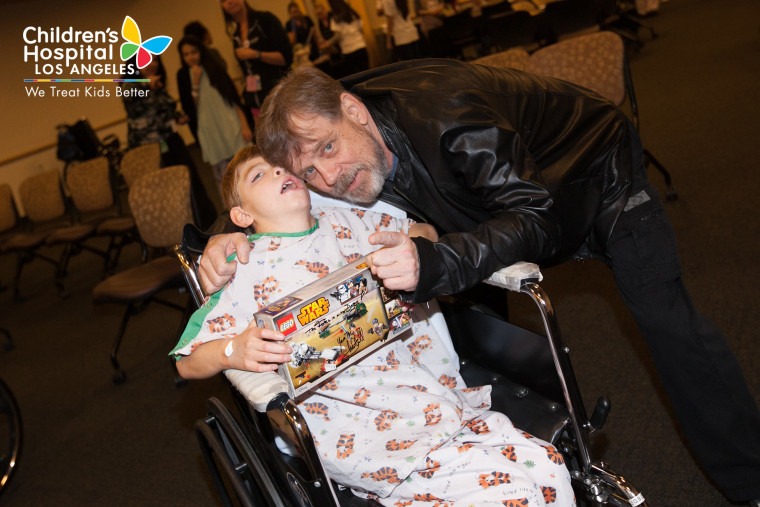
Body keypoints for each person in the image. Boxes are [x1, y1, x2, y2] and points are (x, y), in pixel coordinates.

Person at [198, 61, 760, 505]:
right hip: (476, 201)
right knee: (476, 325)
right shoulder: (326, 129)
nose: (329, 177)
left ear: (354, 109)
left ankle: (750, 478)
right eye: (311, 171)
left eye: (329, 149)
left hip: (591, 170)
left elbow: (537, 218)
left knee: (667, 320)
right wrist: (225, 236)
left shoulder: (448, 114)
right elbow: (276, 198)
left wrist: (438, 262)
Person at [171, 145, 574, 505]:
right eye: (259, 175)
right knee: (512, 493)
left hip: (422, 392)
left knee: (550, 467)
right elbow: (186, 362)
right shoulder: (242, 268)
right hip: (350, 427)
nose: (278, 173)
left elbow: (423, 234)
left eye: (281, 167)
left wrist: (417, 241)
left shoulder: (351, 223)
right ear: (240, 215)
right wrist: (234, 349)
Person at [119, 55, 217, 229]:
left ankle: (202, 226)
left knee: (188, 183)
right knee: (161, 192)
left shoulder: (157, 85)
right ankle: (171, 231)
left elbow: (165, 110)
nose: (152, 64)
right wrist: (145, 84)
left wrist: (179, 117)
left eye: (155, 60)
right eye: (146, 60)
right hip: (148, 150)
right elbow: (127, 92)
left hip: (170, 141)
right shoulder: (131, 85)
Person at [177, 35, 252, 192]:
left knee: (247, 167)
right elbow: (190, 108)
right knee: (226, 180)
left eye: (194, 52)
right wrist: (195, 82)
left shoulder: (213, 67)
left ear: (201, 51)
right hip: (210, 131)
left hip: (231, 124)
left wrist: (245, 125)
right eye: (186, 54)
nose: (190, 57)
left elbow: (233, 97)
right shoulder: (183, 75)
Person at [220, 0, 293, 130]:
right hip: (260, 104)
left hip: (282, 97)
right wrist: (253, 104)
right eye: (224, 1)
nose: (229, 2)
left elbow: (286, 58)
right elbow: (248, 73)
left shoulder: (265, 20)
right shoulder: (236, 36)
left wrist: (256, 54)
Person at [320, 0, 369, 78]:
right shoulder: (353, 13)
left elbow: (338, 36)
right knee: (367, 75)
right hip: (361, 47)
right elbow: (361, 30)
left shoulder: (335, 17)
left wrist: (328, 43)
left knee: (356, 78)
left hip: (349, 50)